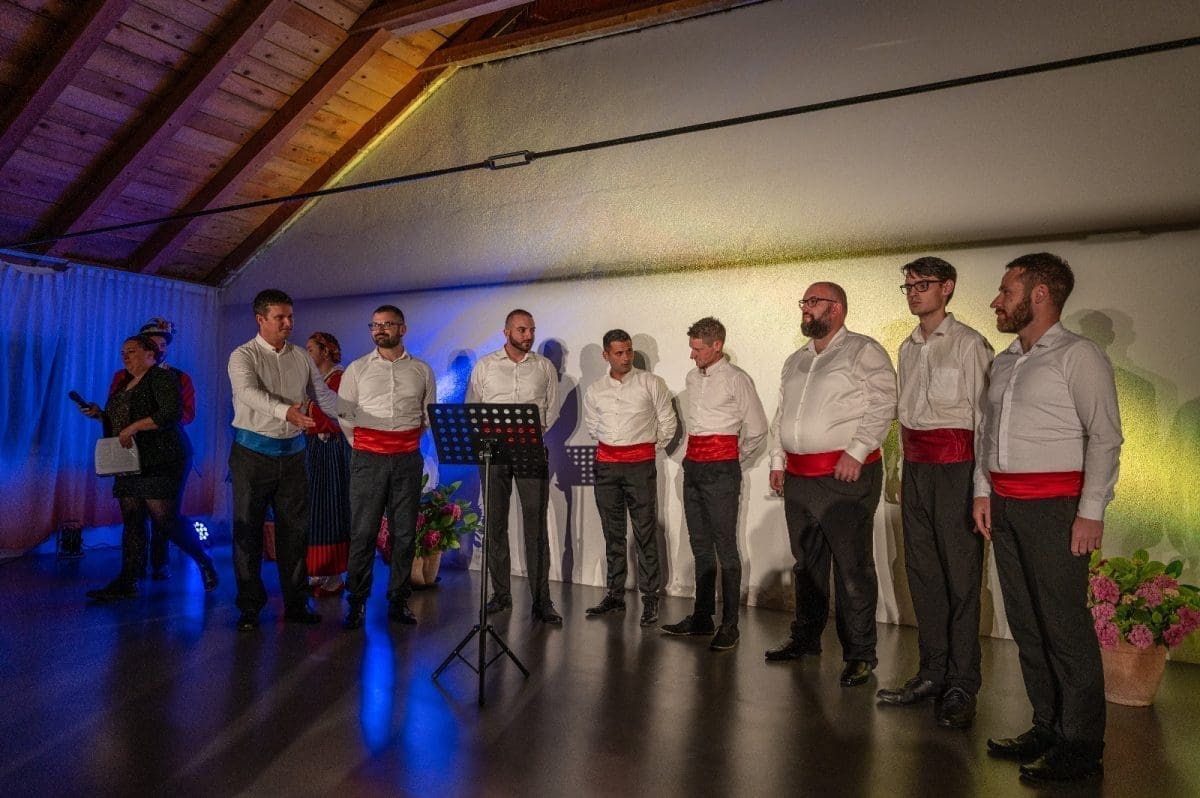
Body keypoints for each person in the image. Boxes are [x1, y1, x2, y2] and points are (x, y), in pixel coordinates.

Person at [973, 253, 1121, 783]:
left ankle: (1081, 746)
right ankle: (1048, 726)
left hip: (1057, 509)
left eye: (1006, 290)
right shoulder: (1005, 361)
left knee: (1064, 626)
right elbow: (987, 433)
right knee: (1027, 623)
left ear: (1039, 294)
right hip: (1006, 506)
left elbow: (1105, 436)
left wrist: (1091, 512)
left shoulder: (1080, 356)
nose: (997, 300)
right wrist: (983, 491)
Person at [876, 258, 992, 726]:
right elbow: (905, 417)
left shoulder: (969, 343)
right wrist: (899, 470)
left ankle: (962, 682)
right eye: (908, 285)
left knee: (961, 578)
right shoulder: (907, 347)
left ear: (947, 288)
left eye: (923, 284)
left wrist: (982, 487)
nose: (913, 292)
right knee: (922, 574)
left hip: (957, 468)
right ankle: (932, 672)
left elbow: (985, 421)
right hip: (918, 469)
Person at [765, 283, 895, 686]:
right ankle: (806, 638)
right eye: (803, 302)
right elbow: (783, 414)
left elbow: (884, 402)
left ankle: (860, 654)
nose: (805, 308)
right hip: (799, 477)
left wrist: (857, 451)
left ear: (836, 308)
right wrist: (777, 459)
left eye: (813, 302)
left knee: (852, 566)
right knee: (807, 564)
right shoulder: (796, 359)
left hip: (845, 474)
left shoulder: (863, 350)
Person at [227, 289, 339, 631]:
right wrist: (286, 411)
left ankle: (296, 603)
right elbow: (248, 394)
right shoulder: (242, 356)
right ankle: (250, 607)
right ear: (260, 319)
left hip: (293, 456)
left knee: (295, 533)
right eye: (280, 317)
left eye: (290, 316)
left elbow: (323, 397)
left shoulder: (301, 357)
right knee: (248, 532)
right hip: (251, 456)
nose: (288, 323)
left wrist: (361, 416)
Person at [81, 334, 217, 600]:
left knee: (165, 520)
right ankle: (128, 580)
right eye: (123, 352)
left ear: (150, 355)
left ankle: (203, 560)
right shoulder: (124, 383)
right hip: (131, 460)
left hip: (162, 457)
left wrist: (134, 427)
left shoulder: (162, 377)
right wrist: (101, 415)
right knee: (132, 520)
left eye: (131, 351)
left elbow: (170, 413)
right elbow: (120, 421)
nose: (125, 356)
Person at [661, 316, 767, 651]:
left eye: (697, 349)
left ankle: (730, 624)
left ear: (716, 346)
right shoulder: (692, 378)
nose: (692, 355)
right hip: (694, 467)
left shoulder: (736, 379)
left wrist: (731, 459)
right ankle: (702, 616)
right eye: (691, 348)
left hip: (721, 469)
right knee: (700, 545)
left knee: (726, 546)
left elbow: (757, 428)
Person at [338, 306, 436, 629]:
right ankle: (356, 601)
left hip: (407, 458)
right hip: (368, 458)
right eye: (375, 325)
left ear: (402, 329)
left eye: (387, 324)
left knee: (404, 533)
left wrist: (403, 442)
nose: (379, 330)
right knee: (363, 532)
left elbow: (427, 415)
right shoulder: (357, 369)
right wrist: (366, 446)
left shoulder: (422, 370)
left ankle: (398, 599)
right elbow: (345, 415)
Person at [467, 309, 562, 625]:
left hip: (529, 448)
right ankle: (501, 594)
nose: (529, 335)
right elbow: (472, 407)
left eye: (532, 330)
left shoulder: (544, 366)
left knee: (535, 524)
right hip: (492, 451)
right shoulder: (486, 366)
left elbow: (551, 409)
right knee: (495, 522)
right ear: (506, 332)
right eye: (522, 330)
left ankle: (542, 601)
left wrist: (531, 434)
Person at [582, 329, 677, 626]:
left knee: (645, 531)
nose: (626, 358)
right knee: (613, 533)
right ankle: (615, 594)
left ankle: (650, 597)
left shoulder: (651, 382)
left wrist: (645, 449)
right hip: (606, 467)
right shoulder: (595, 389)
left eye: (629, 351)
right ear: (606, 355)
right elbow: (593, 427)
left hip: (639, 466)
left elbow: (668, 423)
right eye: (619, 353)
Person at [106, 317, 196, 580]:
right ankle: (131, 573)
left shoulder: (177, 377)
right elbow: (114, 411)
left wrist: (151, 421)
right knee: (133, 514)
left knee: (163, 514)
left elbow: (185, 414)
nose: (159, 348)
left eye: (163, 344)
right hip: (132, 451)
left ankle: (161, 562)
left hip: (164, 451)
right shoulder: (122, 378)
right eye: (153, 343)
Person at [304, 331, 351, 597]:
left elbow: (336, 416)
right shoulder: (315, 381)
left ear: (325, 351)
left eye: (311, 349)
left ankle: (334, 574)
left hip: (331, 450)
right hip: (314, 449)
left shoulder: (339, 379)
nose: (307, 353)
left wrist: (307, 414)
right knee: (315, 508)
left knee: (331, 507)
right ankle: (318, 570)